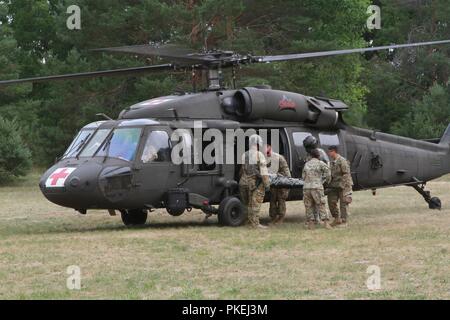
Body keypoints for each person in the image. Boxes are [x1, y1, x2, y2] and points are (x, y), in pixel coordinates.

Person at [239, 134, 271, 229]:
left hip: (245, 182)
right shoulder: (259, 154)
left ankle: (249, 222)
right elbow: (263, 171)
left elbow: (243, 169)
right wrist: (267, 184)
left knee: (248, 204)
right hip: (255, 183)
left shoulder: (244, 154)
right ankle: (255, 224)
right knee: (256, 203)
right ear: (257, 144)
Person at [302, 149, 332, 230]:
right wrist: (325, 181)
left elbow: (303, 176)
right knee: (321, 204)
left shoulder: (306, 164)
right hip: (317, 187)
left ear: (311, 156)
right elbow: (328, 173)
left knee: (308, 206)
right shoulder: (320, 163)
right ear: (318, 156)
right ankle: (326, 223)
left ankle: (311, 224)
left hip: (306, 187)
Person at [327, 146, 354, 227]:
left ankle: (344, 221)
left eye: (330, 151)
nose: (329, 153)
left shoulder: (342, 161)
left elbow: (346, 173)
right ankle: (336, 218)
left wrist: (344, 185)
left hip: (343, 185)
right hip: (334, 185)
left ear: (334, 151)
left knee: (343, 203)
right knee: (331, 201)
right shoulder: (332, 162)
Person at [265, 144, 291, 225]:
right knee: (272, 200)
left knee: (281, 200)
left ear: (271, 149)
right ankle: (273, 218)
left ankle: (281, 218)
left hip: (281, 183)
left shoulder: (279, 158)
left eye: (268, 152)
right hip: (274, 184)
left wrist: (278, 176)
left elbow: (287, 174)